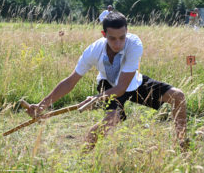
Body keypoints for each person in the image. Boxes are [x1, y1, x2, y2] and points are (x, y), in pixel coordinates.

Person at [26, 12, 188, 152]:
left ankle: (182, 144)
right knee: (111, 120)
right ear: (104, 35)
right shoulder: (93, 51)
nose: (118, 44)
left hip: (132, 81)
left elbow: (123, 87)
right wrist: (42, 105)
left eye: (122, 37)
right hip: (108, 84)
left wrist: (96, 98)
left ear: (127, 32)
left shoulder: (134, 44)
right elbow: (70, 82)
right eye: (112, 38)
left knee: (178, 96)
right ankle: (82, 157)